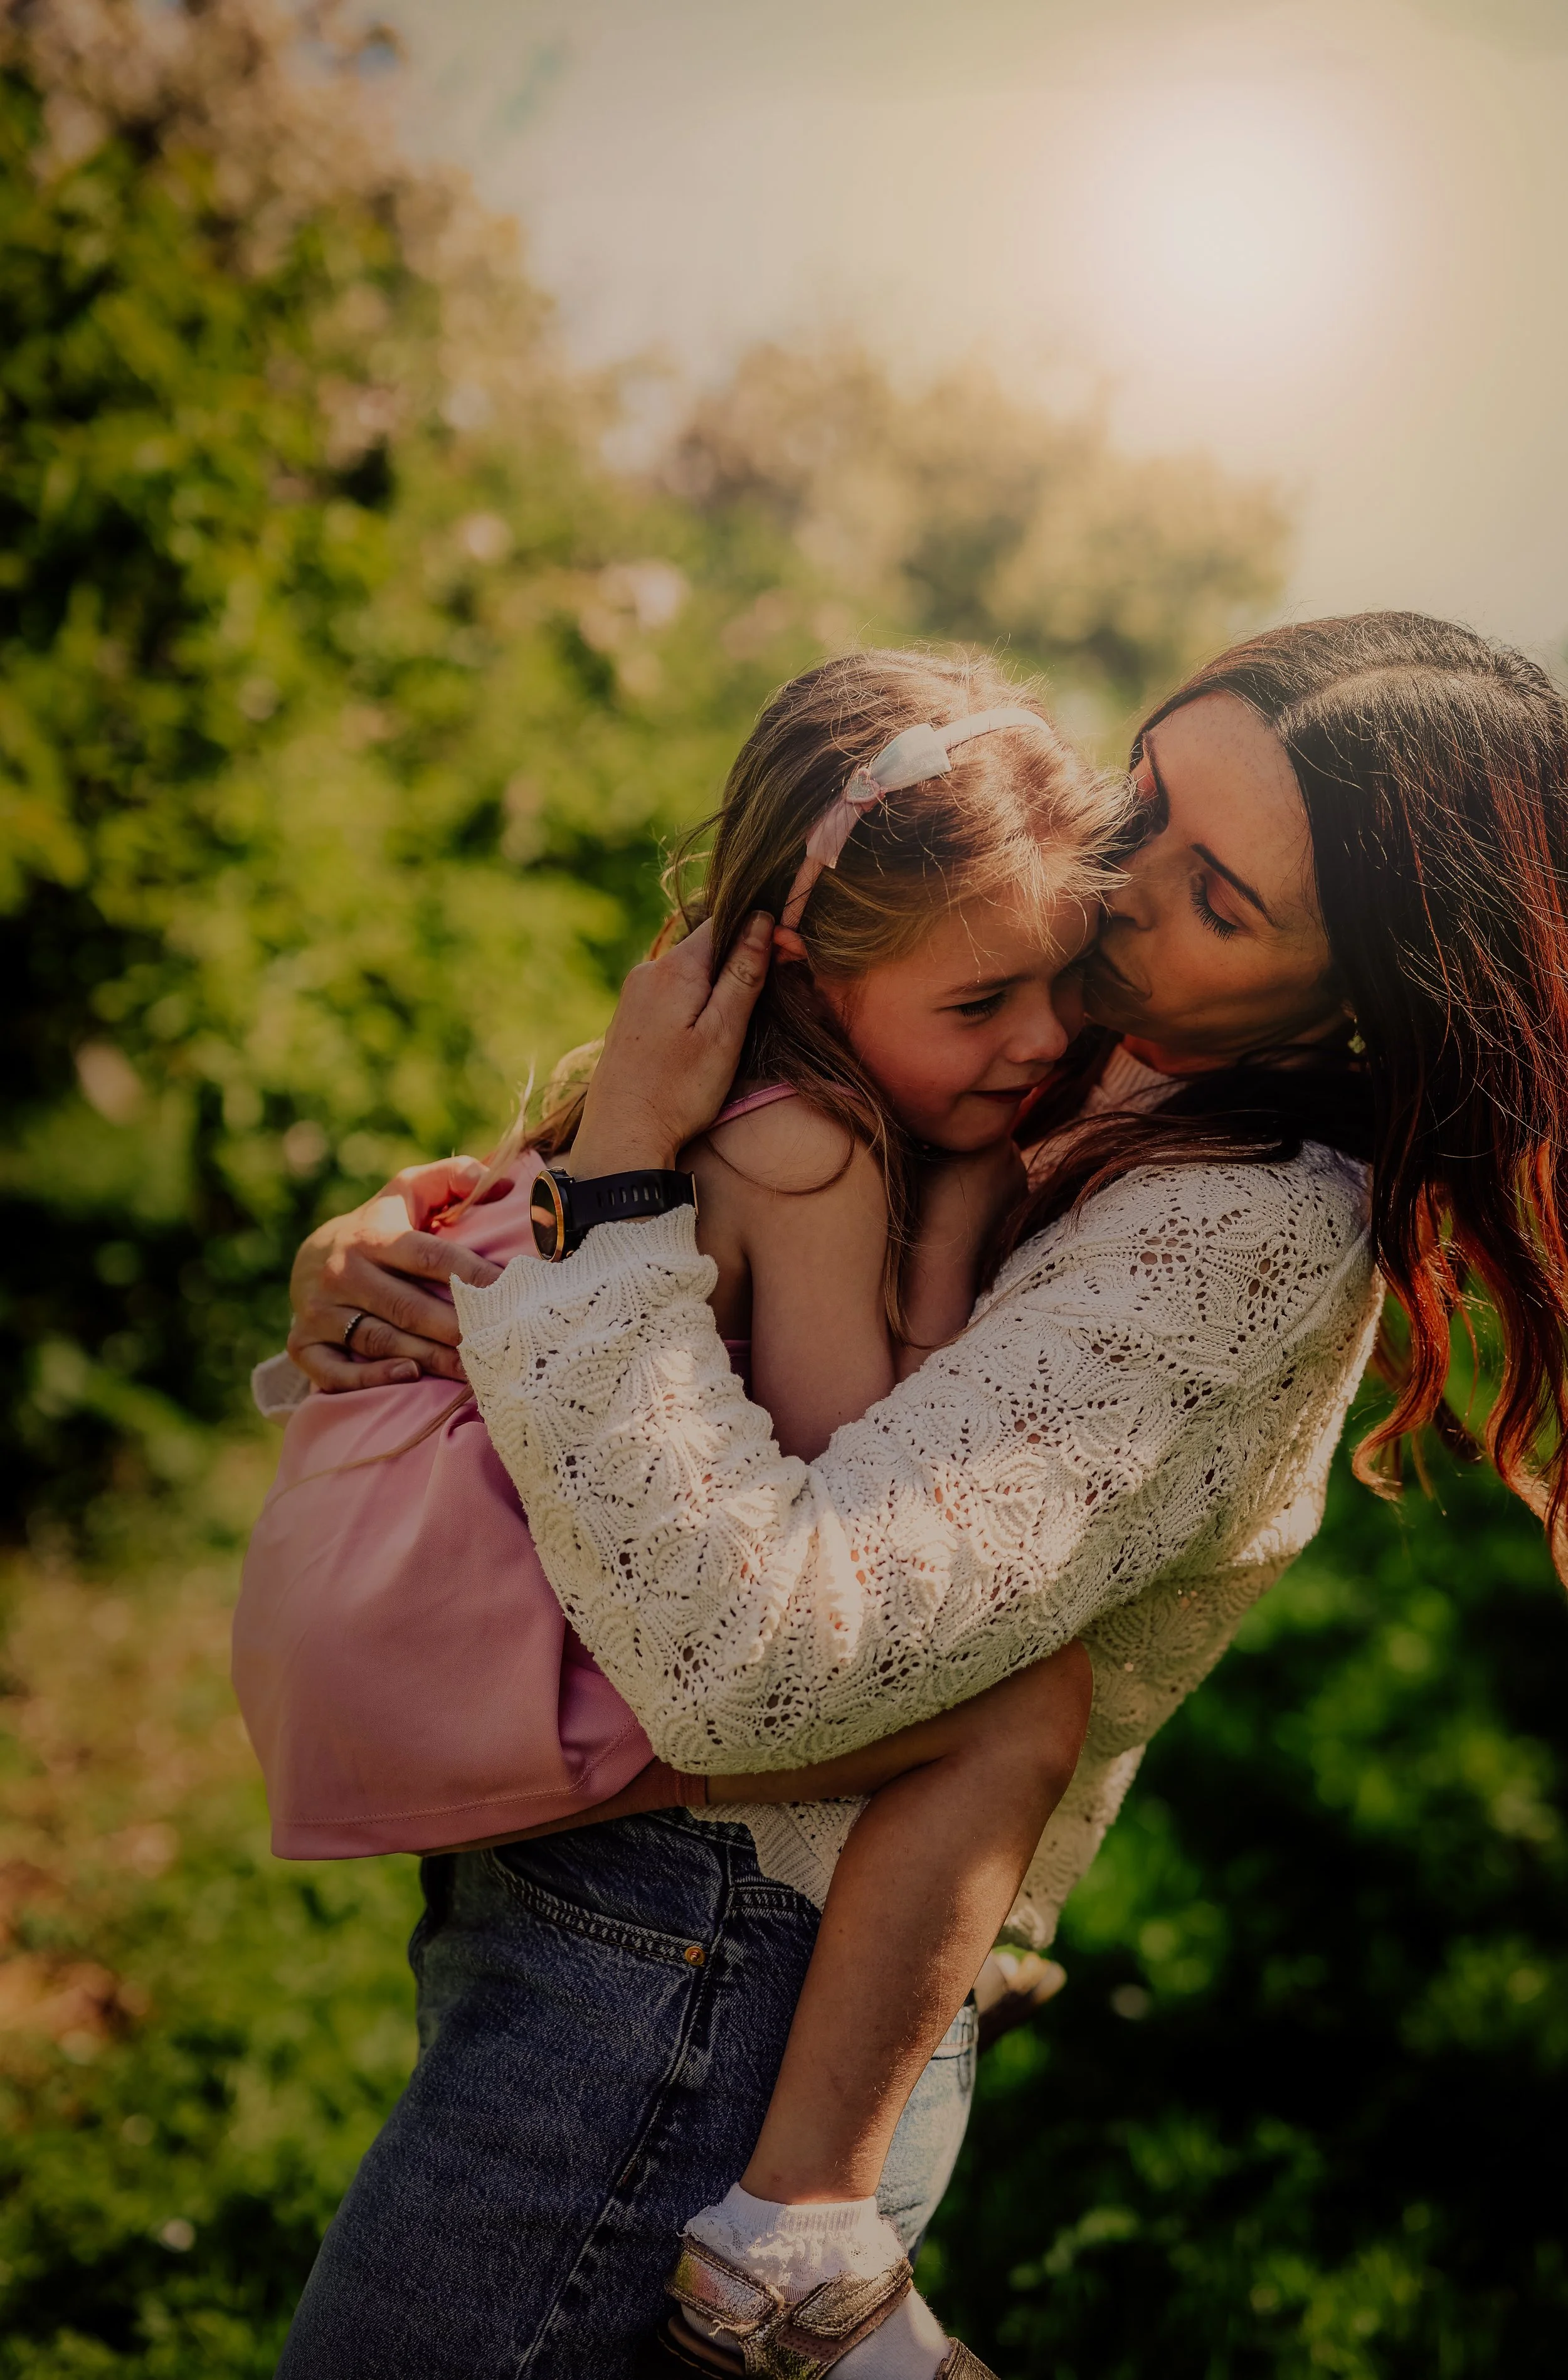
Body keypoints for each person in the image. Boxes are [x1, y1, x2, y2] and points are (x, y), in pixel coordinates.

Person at [273, 615, 1568, 2379]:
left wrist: (605, 1219)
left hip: (711, 1975)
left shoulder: (1238, 1234)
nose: (1119, 888)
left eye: (1218, 899)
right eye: (1146, 798)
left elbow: (757, 1654)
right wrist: (422, 1244)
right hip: (625, 1925)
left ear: (1357, 998)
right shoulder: (1061, 1024)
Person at [240, 651, 1120, 2380]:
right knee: (1011, 1705)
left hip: (386, 1640)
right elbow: (831, 1519)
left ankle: (932, 1994)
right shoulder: (813, 1152)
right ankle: (892, 2067)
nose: (1041, 1039)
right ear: (810, 964)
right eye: (981, 1003)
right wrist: (946, 1243)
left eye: (1066, 985)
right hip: (503, 1679)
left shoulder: (705, 1089)